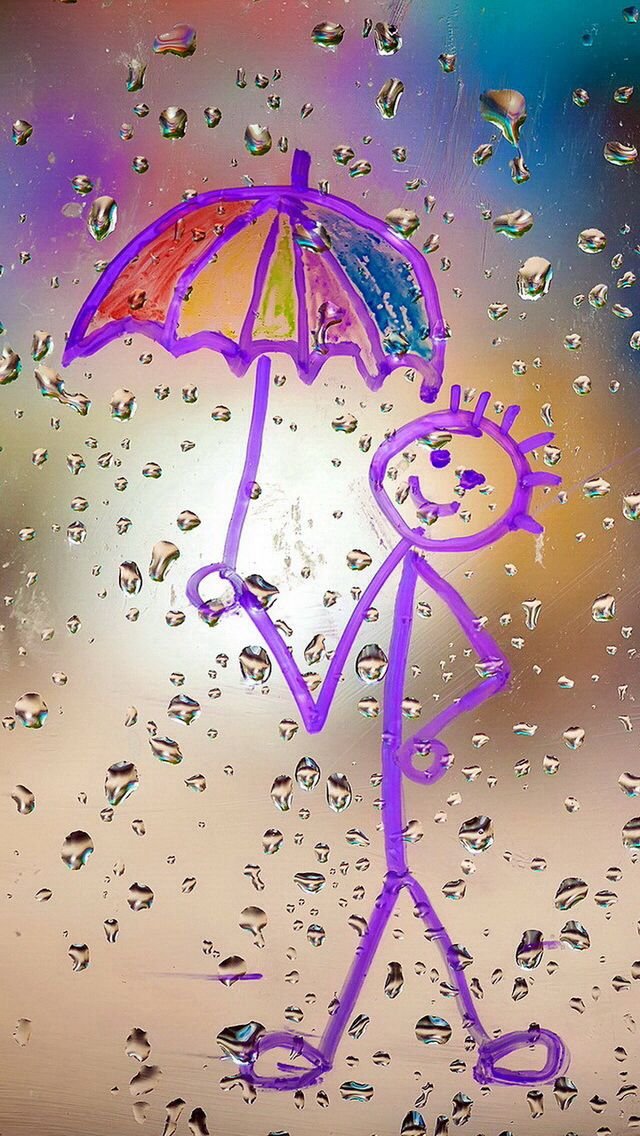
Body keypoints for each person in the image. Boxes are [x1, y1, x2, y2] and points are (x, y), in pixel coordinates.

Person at [189, 382, 568, 1092]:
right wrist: (247, 604)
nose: (443, 489)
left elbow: (492, 668)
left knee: (404, 892)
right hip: (360, 784)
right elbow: (316, 695)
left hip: (389, 782)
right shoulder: (384, 570)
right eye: (434, 460)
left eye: (471, 483)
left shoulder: (414, 573)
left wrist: (428, 733)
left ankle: (421, 1044)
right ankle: (467, 1042)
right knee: (404, 895)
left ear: (502, 510)